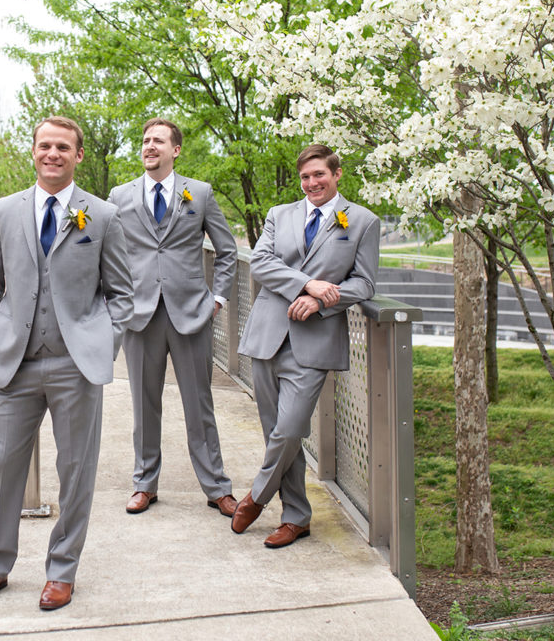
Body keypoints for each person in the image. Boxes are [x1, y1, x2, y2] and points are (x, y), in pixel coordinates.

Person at [0, 116, 133, 612]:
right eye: (45, 146)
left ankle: (62, 570)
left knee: (76, 469)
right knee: (2, 466)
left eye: (63, 147)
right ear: (33, 152)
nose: (53, 154)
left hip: (74, 366)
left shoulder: (101, 215)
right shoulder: (3, 211)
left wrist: (101, 345)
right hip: (15, 366)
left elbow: (121, 295)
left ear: (78, 155)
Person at [232, 143, 379, 548]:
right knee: (277, 432)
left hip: (314, 341)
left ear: (337, 174)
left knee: (291, 427)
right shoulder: (280, 215)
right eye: (306, 177)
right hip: (267, 333)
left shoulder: (363, 222)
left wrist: (319, 301)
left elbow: (364, 283)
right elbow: (260, 263)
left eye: (320, 175)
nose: (312, 183)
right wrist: (305, 283)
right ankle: (296, 517)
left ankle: (257, 497)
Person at [108, 117, 239, 518]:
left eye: (158, 141)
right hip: (139, 315)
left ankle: (217, 487)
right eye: (145, 140)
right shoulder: (119, 195)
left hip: (190, 315)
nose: (150, 146)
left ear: (175, 150)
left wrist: (217, 298)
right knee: (144, 406)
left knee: (199, 404)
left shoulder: (198, 193)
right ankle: (144, 484)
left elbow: (227, 249)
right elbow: (104, 251)